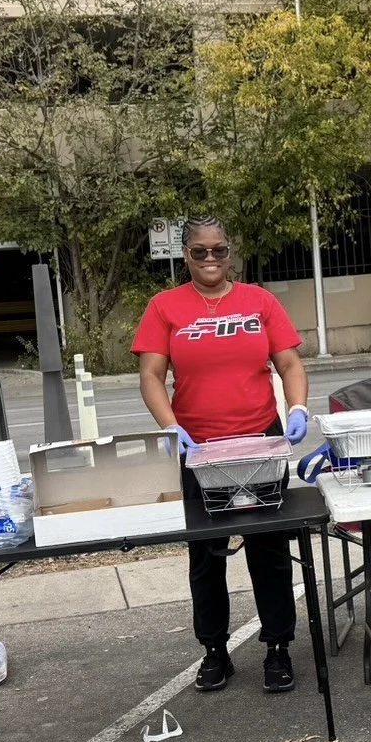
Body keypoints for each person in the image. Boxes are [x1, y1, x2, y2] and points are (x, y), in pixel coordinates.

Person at [134, 215, 311, 692]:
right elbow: (151, 375)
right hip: (201, 450)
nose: (210, 259)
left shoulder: (260, 301)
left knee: (269, 550)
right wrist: (170, 427)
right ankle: (213, 651)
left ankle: (278, 647)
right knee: (206, 557)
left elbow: (290, 362)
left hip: (260, 441)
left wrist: (296, 407)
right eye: (199, 251)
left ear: (230, 252)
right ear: (185, 254)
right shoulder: (165, 307)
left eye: (218, 250)